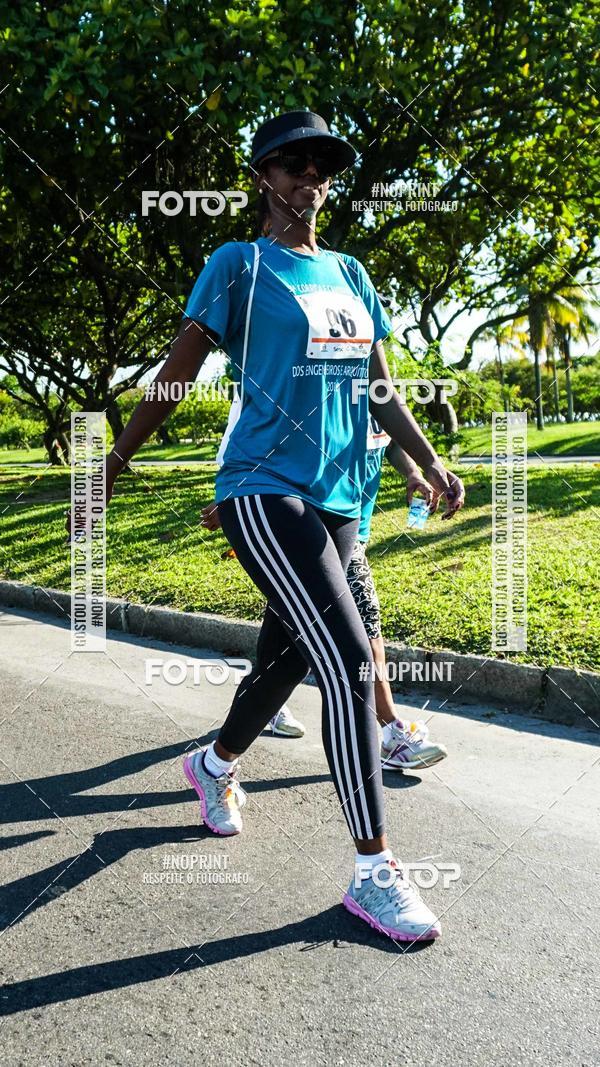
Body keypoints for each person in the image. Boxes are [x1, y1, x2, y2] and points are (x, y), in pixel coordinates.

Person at [82, 111, 464, 942]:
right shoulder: (239, 265)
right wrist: (113, 462)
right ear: (262, 177)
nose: (309, 178)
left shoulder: (352, 273)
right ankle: (374, 872)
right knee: (350, 660)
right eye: (292, 164)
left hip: (340, 499)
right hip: (261, 487)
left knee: (286, 658)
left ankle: (212, 763)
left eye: (322, 166)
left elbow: (379, 389)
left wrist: (427, 460)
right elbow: (177, 371)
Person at [201, 413, 448, 769]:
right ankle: (391, 731)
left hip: (350, 526)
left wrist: (413, 472)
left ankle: (258, 714)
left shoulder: (373, 390)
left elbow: (390, 438)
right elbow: (257, 447)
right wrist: (233, 499)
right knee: (365, 625)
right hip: (310, 527)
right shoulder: (312, 387)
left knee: (284, 648)